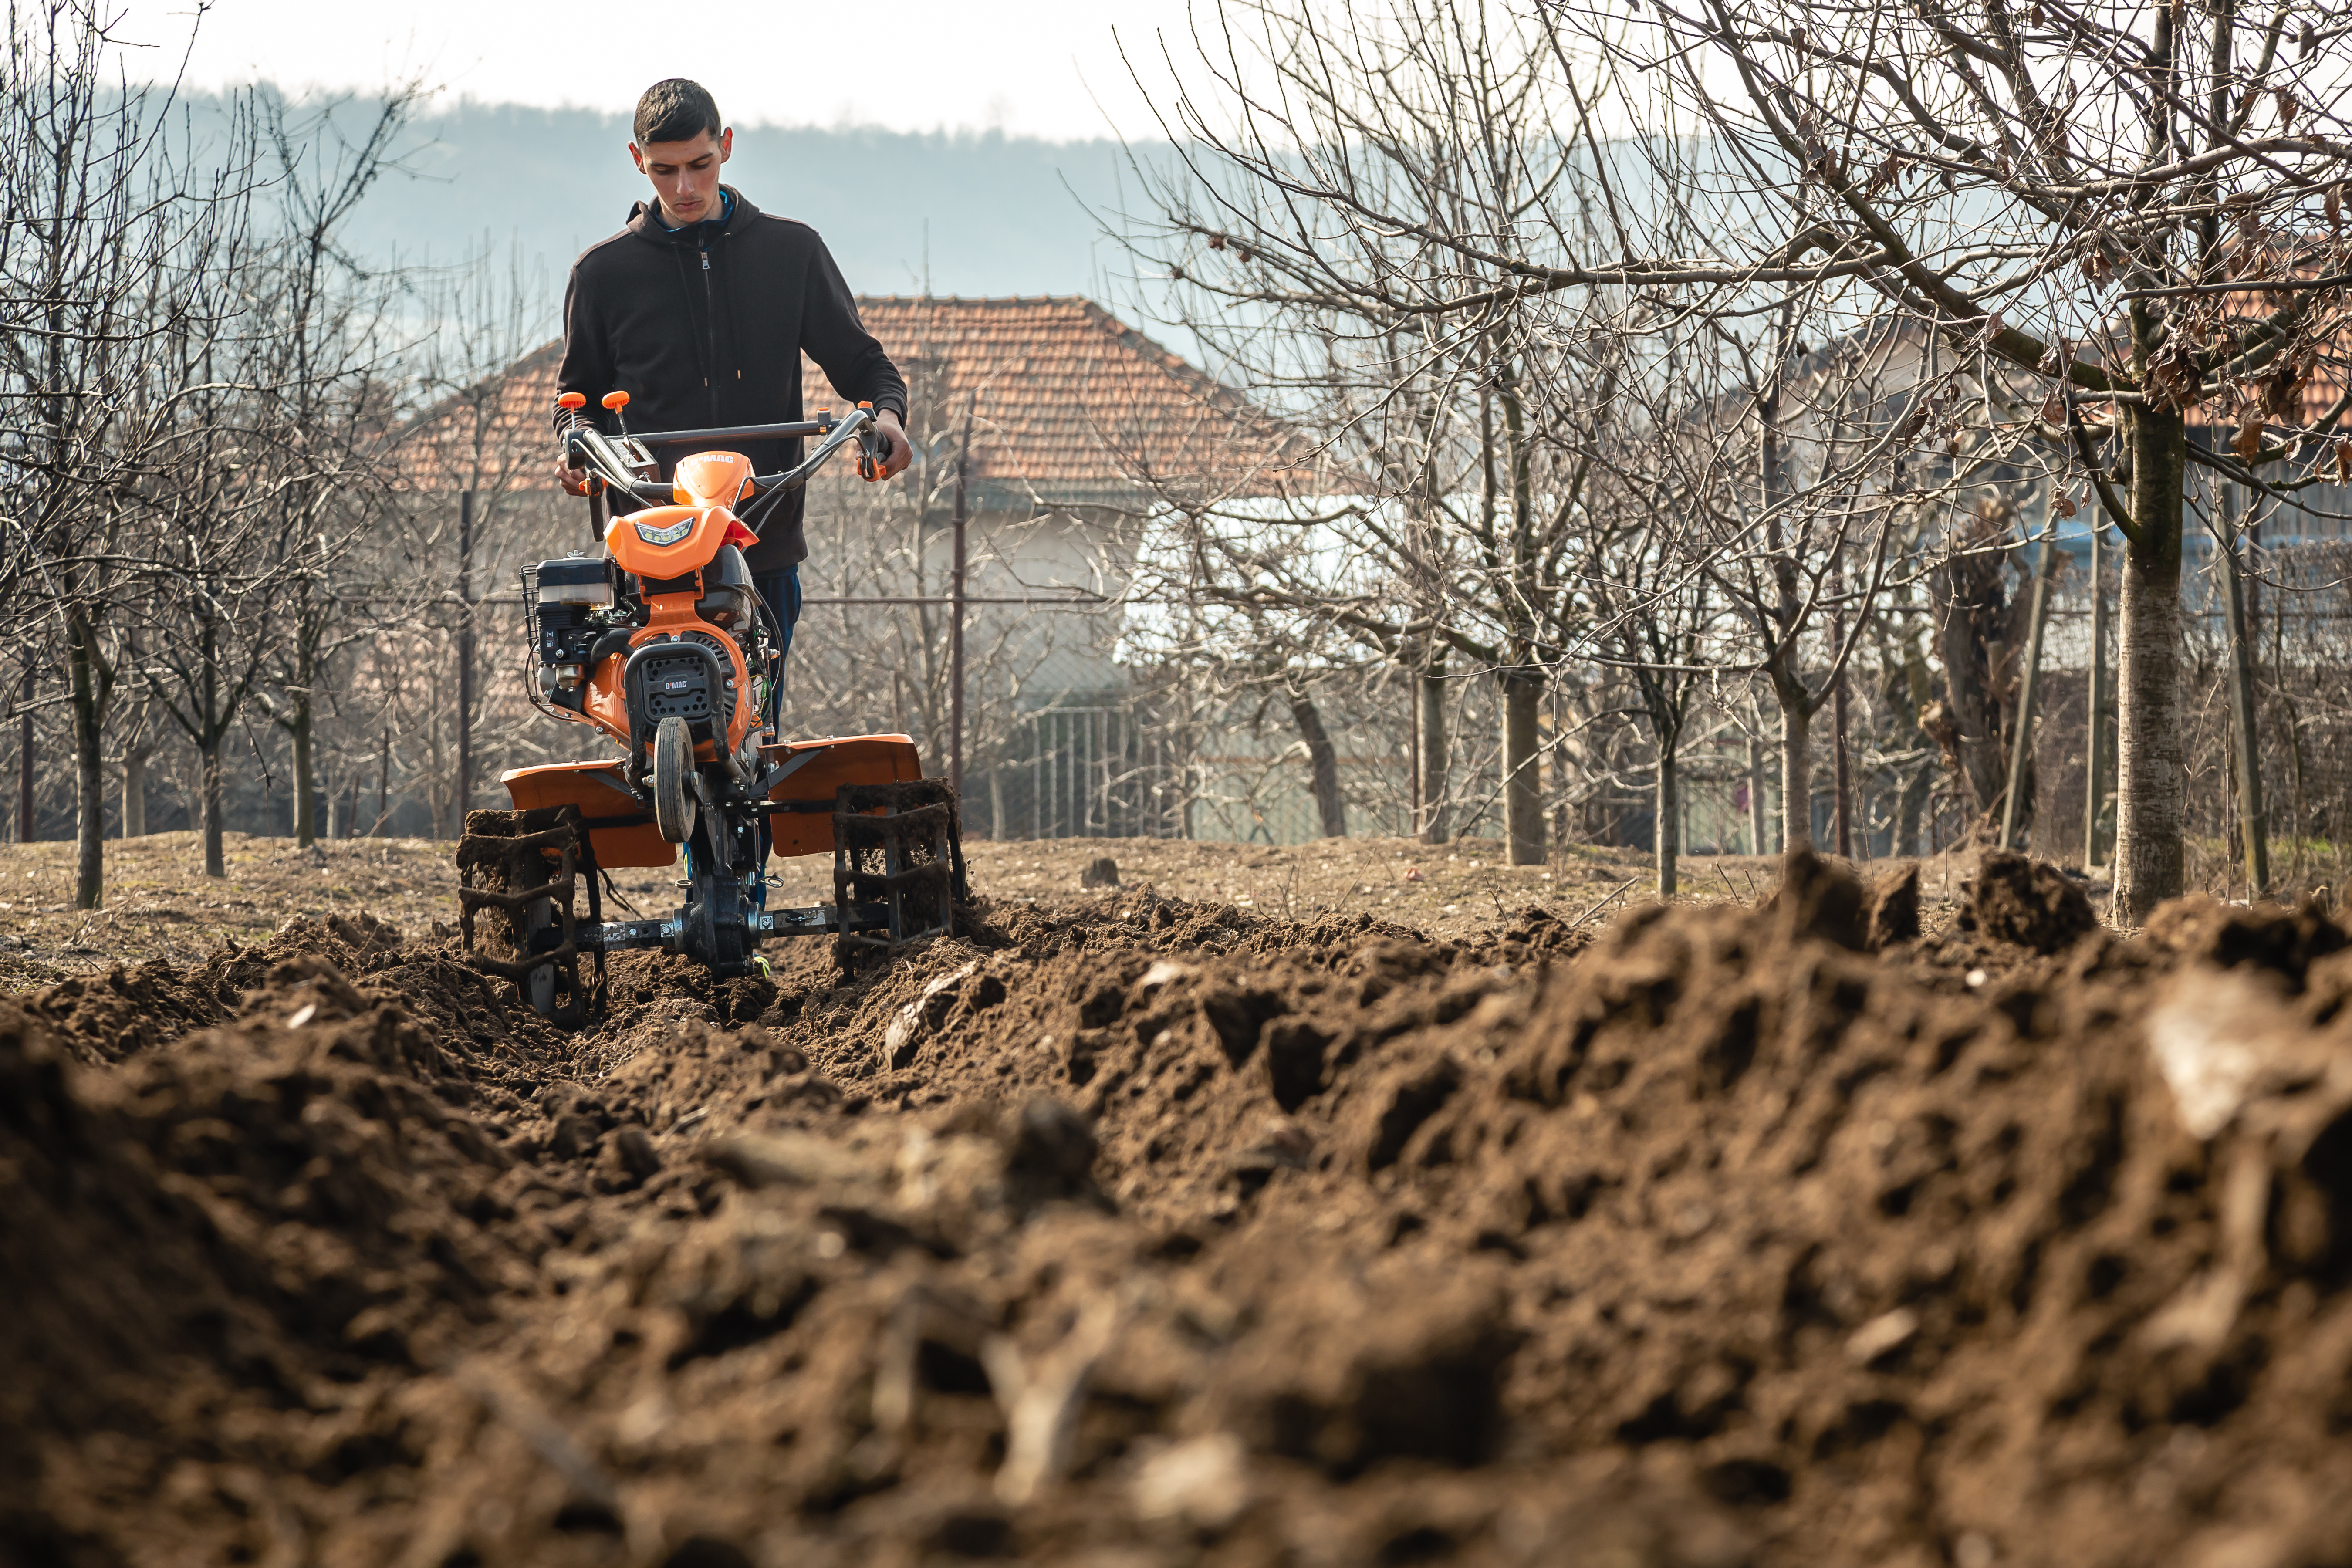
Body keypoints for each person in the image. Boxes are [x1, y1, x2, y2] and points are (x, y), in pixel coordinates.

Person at [552, 77, 911, 735]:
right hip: (649, 549)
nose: (684, 187)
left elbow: (864, 367)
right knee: (659, 724)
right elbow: (577, 403)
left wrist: (886, 417)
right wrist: (577, 447)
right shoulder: (602, 275)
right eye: (665, 171)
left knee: (753, 735)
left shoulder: (791, 252)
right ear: (638, 161)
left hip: (763, 538)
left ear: (726, 147)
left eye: (700, 165)